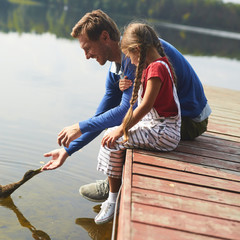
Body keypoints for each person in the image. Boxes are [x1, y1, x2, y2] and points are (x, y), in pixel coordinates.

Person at [42, 9, 210, 206]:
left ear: (105, 37)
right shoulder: (118, 65)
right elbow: (102, 115)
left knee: (121, 131)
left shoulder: (136, 54)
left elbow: (124, 112)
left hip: (190, 120)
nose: (87, 56)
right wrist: (67, 151)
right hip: (165, 116)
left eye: (88, 48)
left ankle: (113, 185)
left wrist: (79, 126)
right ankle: (114, 183)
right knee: (113, 125)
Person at [95, 22, 181, 224]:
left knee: (112, 140)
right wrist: (129, 85)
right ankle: (112, 191)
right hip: (163, 129)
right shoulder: (159, 65)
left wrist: (121, 129)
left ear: (138, 50)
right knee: (112, 134)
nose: (131, 62)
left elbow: (144, 106)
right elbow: (148, 96)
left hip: (164, 132)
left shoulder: (155, 69)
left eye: (130, 56)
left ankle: (112, 199)